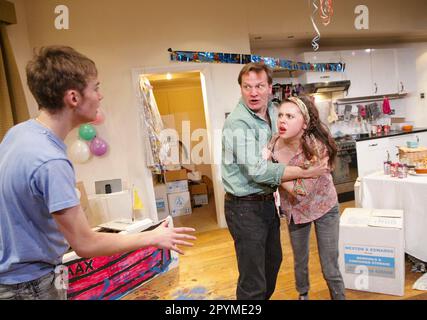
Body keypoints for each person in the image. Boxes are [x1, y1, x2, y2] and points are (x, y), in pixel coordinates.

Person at [0, 46, 196, 300]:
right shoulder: (50, 161)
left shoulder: (19, 133)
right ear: (73, 98)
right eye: (95, 87)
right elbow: (86, 244)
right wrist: (153, 237)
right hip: (29, 286)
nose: (100, 96)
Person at [221, 62, 329, 300]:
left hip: (267, 202)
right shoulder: (237, 124)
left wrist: (316, 146)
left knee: (273, 262)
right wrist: (306, 172)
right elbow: (259, 171)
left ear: (270, 87)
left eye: (259, 86)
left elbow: (294, 131)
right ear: (240, 89)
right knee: (253, 280)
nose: (253, 92)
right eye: (247, 86)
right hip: (244, 207)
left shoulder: (274, 111)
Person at [267, 95, 346, 300]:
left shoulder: (316, 148)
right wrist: (274, 170)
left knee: (329, 266)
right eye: (281, 115)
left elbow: (300, 190)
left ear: (304, 124)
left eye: (290, 116)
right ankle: (303, 295)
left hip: (324, 207)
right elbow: (259, 168)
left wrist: (273, 171)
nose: (282, 120)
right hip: (295, 212)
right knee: (300, 261)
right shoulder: (274, 141)